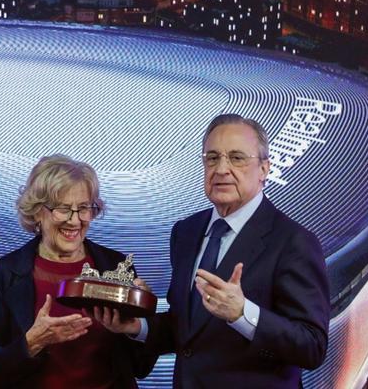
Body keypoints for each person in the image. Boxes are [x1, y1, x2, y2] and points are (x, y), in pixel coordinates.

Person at [98, 114, 330, 388]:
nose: (221, 169)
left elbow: (312, 346)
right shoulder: (186, 232)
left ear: (265, 168)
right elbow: (189, 328)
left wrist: (243, 313)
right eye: (212, 158)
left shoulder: (294, 242)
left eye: (237, 158)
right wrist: (139, 327)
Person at [0, 155, 155, 388]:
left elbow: (142, 367)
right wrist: (31, 343)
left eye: (83, 208)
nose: (74, 221)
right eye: (63, 208)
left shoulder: (115, 267)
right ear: (37, 211)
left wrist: (138, 325)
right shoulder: (5, 274)